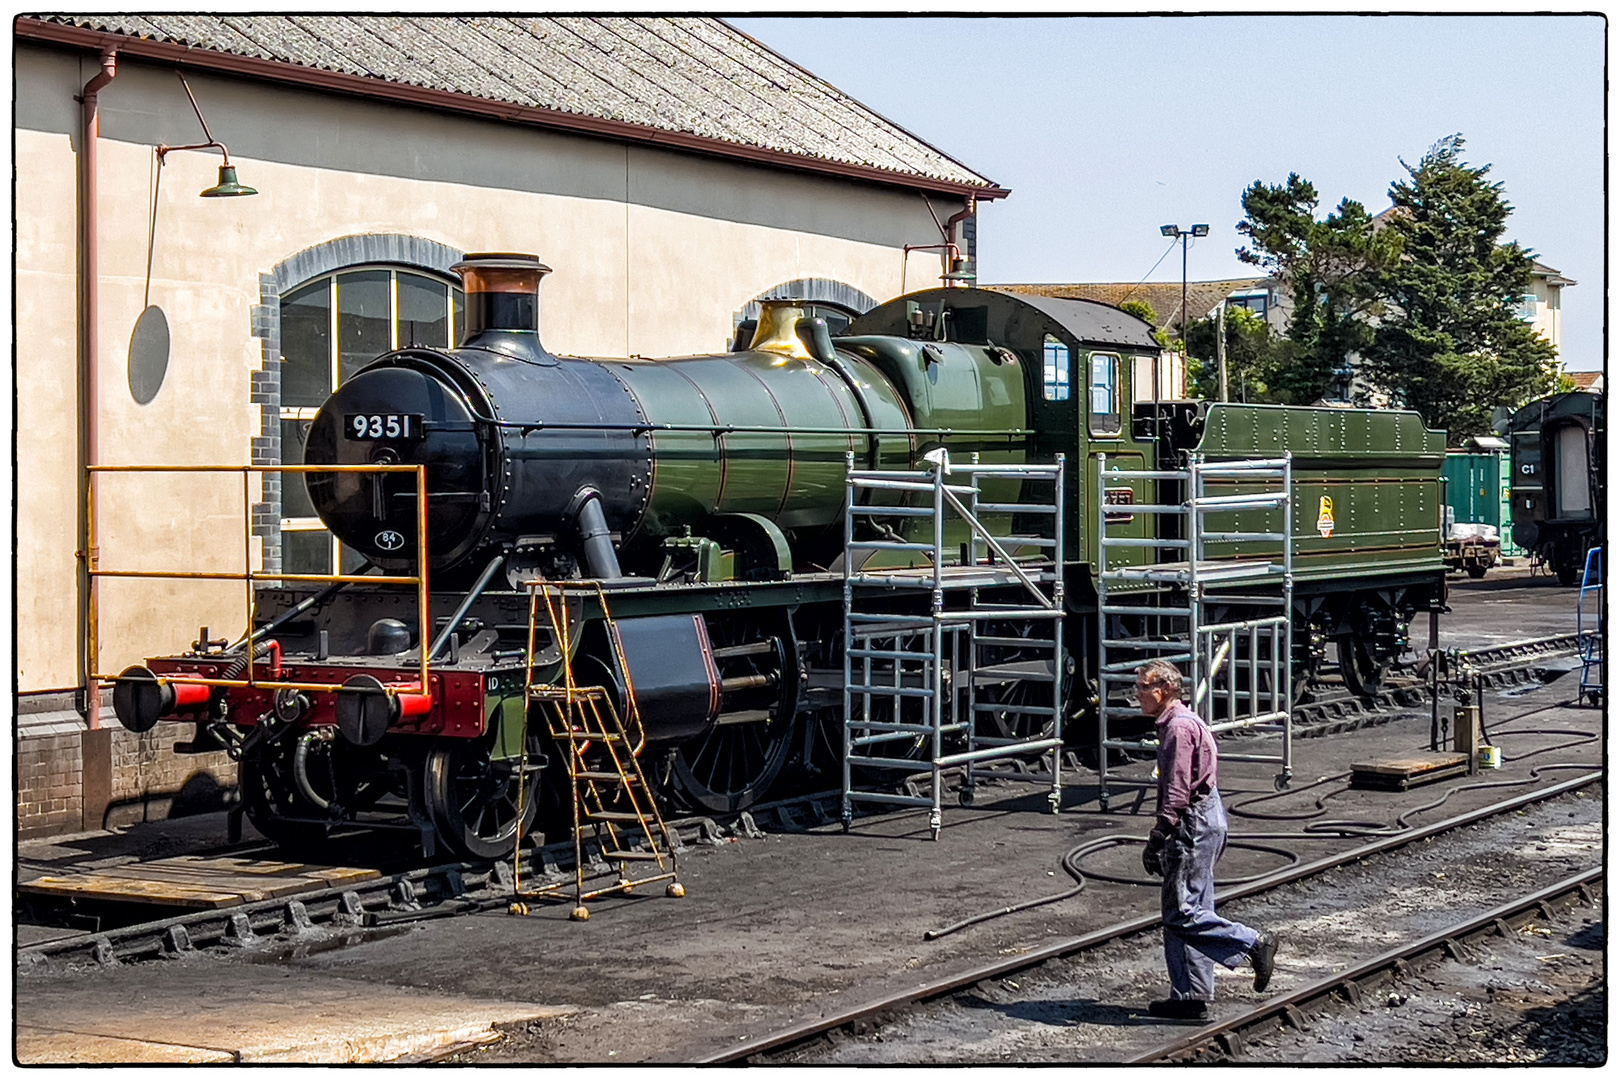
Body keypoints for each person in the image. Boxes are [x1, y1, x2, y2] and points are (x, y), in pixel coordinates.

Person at [1136, 659, 1279, 1021]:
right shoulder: (1185, 721)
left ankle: (1251, 942)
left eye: (1142, 687)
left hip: (1192, 823)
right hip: (1206, 817)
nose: (1137, 695)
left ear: (1164, 689)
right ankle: (1190, 996)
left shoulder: (1178, 730)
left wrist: (1158, 836)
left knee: (1181, 912)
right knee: (1194, 906)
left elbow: (1177, 791)